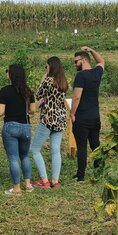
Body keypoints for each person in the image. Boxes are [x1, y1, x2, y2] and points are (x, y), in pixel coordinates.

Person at [0, 64, 36, 195]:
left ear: (12, 75)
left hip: (11, 127)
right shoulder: (28, 91)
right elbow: (33, 110)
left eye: (8, 72)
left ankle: (16, 188)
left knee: (13, 158)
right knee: (24, 156)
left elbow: (0, 112)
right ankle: (28, 185)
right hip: (26, 127)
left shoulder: (5, 91)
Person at [30, 56, 69, 188]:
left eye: (46, 66)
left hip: (48, 119)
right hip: (60, 119)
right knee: (55, 150)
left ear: (50, 66)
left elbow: (38, 94)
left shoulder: (48, 80)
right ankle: (55, 181)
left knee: (35, 149)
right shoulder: (64, 82)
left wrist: (44, 77)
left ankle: (44, 180)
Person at [70, 45, 104, 182]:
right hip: (95, 117)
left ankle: (81, 175)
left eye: (76, 61)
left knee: (82, 147)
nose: (74, 64)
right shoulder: (97, 73)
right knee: (95, 144)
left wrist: (72, 113)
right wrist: (91, 50)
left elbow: (76, 97)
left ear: (83, 60)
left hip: (82, 118)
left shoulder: (81, 76)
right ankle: (98, 171)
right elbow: (101, 61)